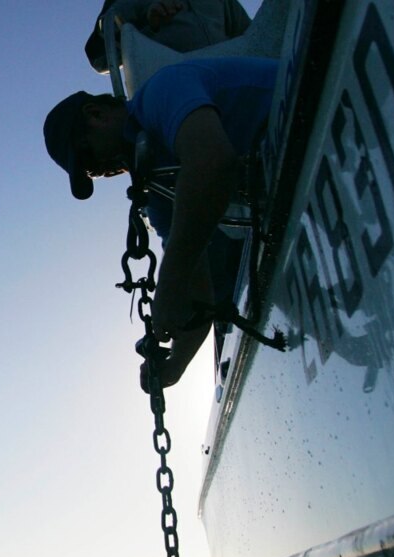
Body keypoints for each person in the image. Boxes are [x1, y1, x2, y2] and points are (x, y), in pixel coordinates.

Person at [43, 57, 278, 387]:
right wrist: (175, 366)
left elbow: (212, 162)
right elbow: (198, 287)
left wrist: (169, 279)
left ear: (95, 115)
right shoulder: (159, 187)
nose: (100, 171)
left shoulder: (162, 90)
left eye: (88, 161)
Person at [85, 0, 252, 74]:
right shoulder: (123, 4)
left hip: (232, 76)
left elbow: (252, 37)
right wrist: (149, 22)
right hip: (175, 88)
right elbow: (99, 55)